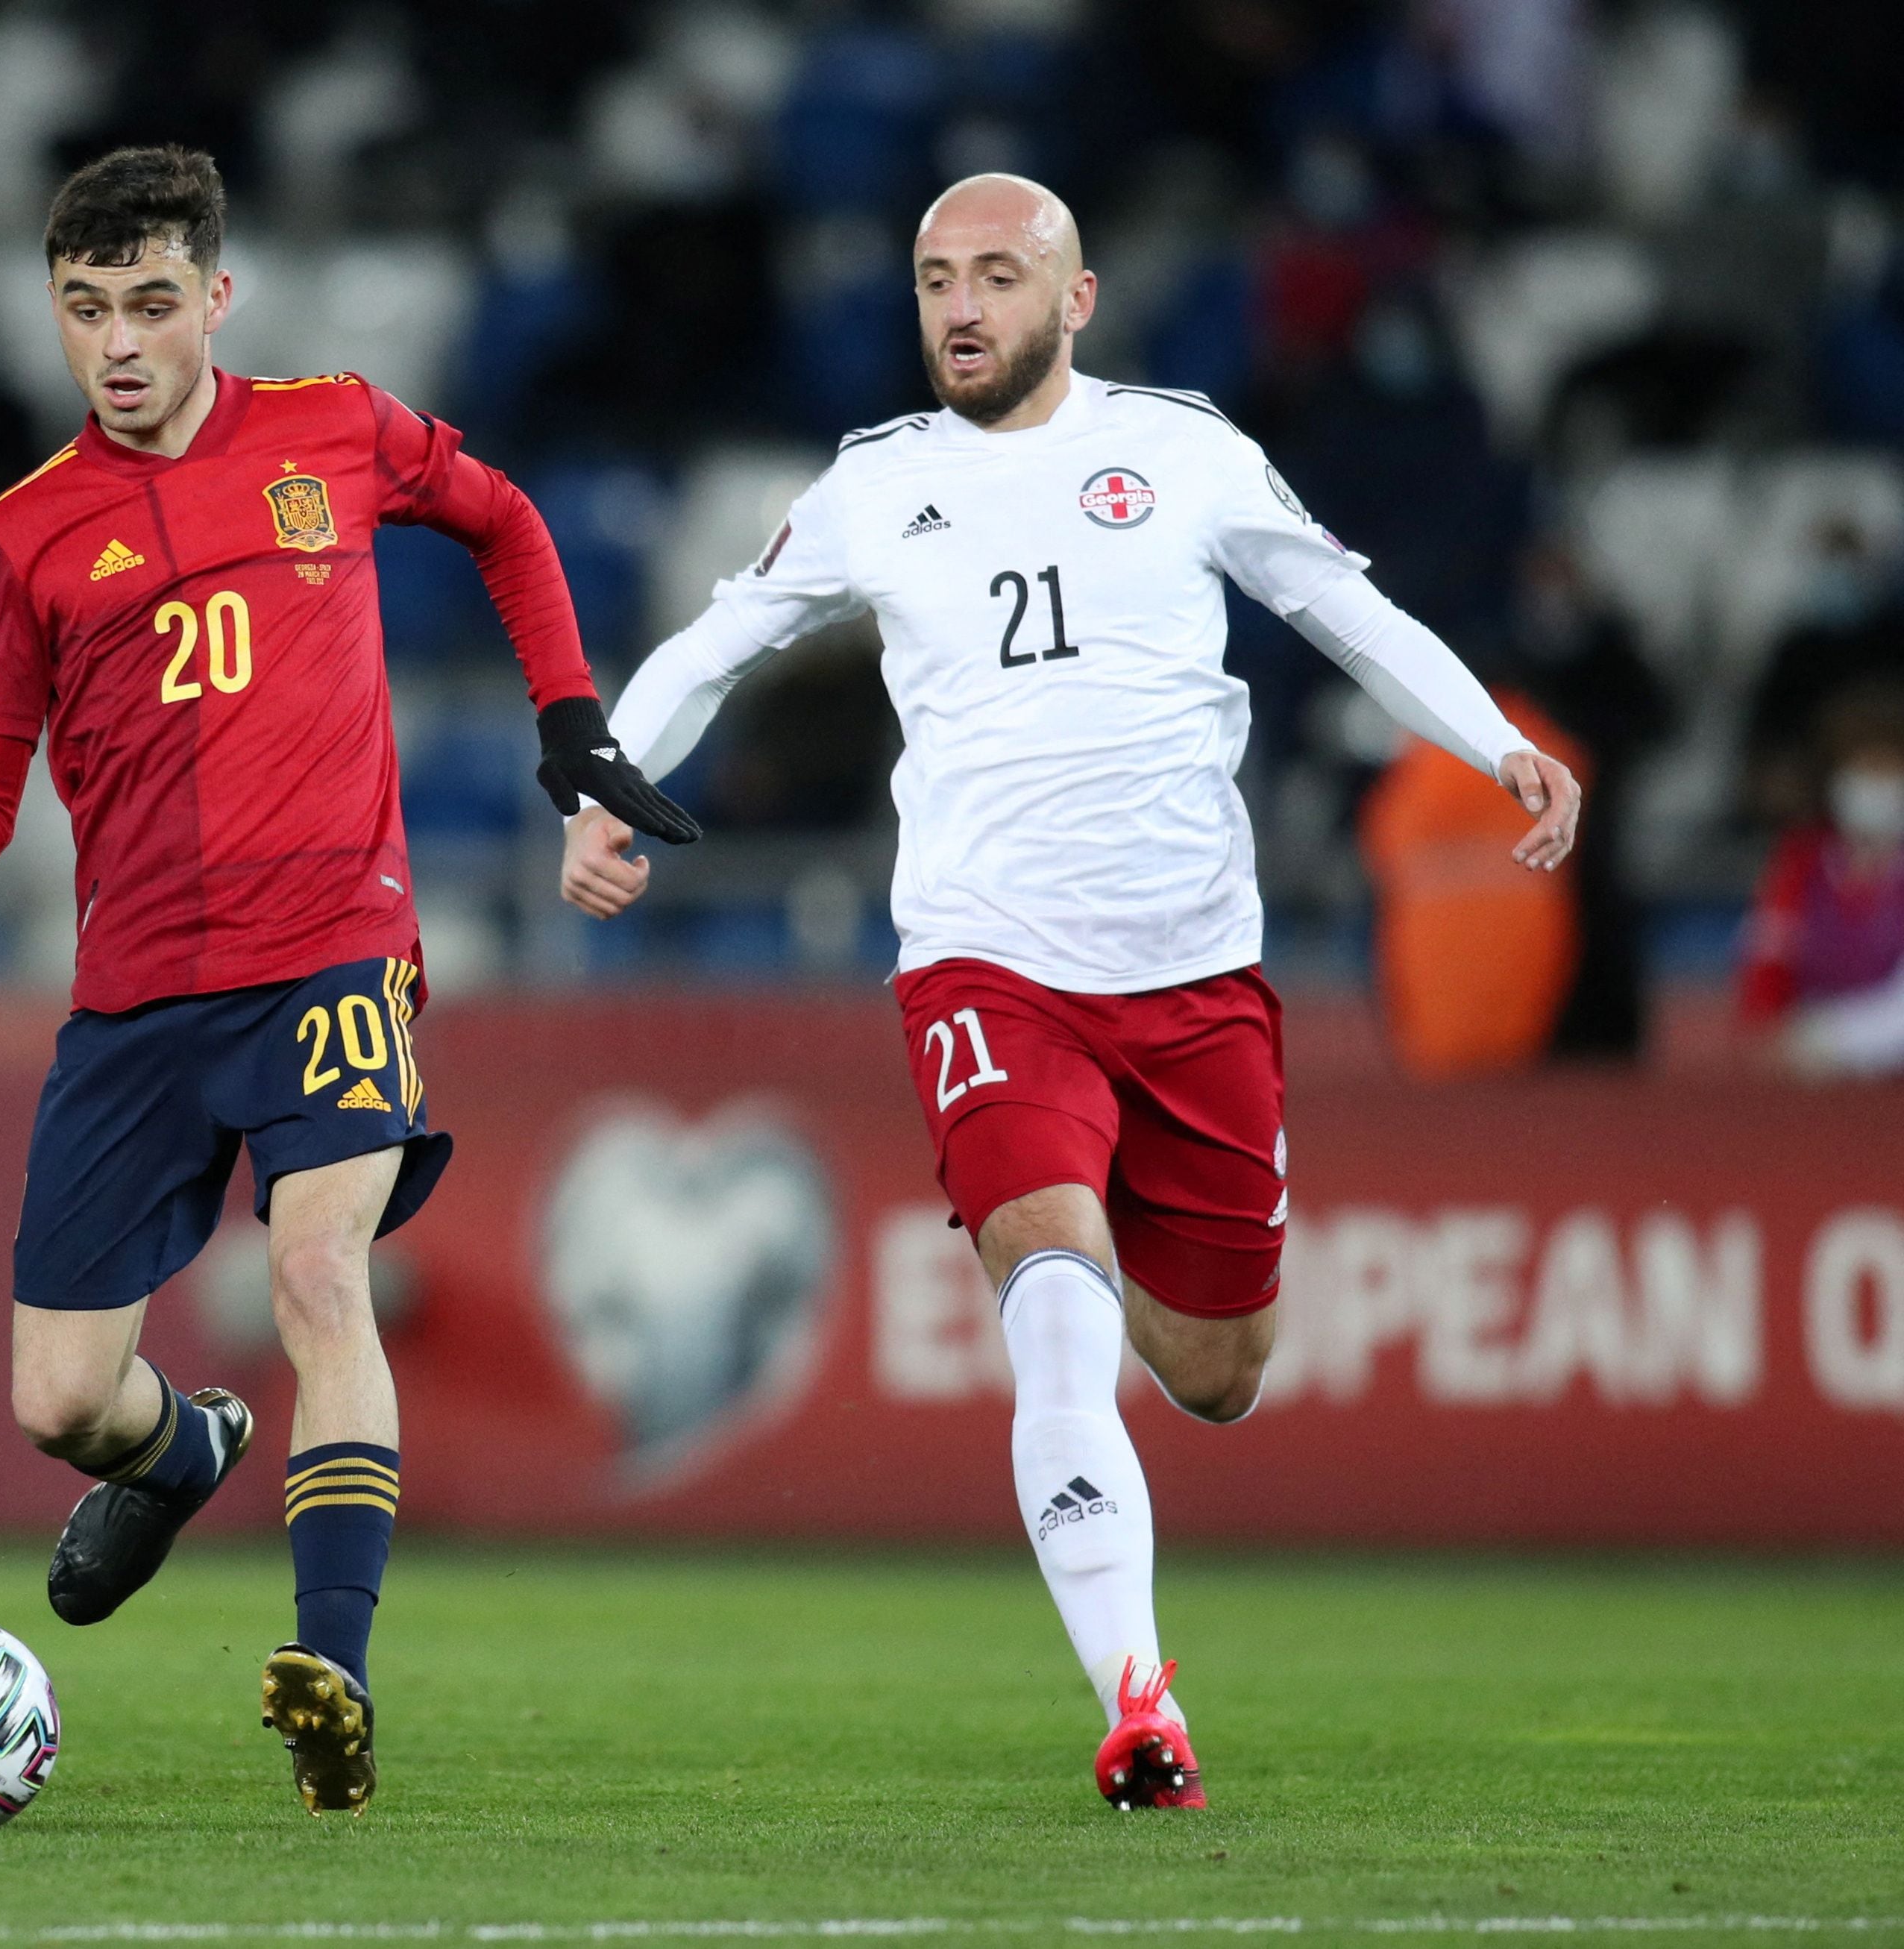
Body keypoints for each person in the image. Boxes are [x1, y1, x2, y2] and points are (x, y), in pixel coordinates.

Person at [559, 173, 1581, 1809]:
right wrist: (598, 786)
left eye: (992, 276)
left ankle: (1138, 1563)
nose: (959, 307)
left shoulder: (1182, 451)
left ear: (1074, 298)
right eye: (931, 280)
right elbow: (714, 641)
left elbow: (1342, 608)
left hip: (1188, 969)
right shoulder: (875, 485)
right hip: (982, 958)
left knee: (1215, 1370)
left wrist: (1498, 743)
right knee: (1052, 1288)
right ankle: (1137, 1701)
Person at [0, 146, 693, 1817]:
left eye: (149, 305)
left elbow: (501, 519)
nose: (118, 345)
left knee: (318, 1275)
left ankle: (329, 1667)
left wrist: (573, 719)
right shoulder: (22, 536)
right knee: (59, 1398)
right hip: (135, 999)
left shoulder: (332, 426)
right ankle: (181, 1448)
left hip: (332, 951)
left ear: (218, 297)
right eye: (82, 312)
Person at [1739, 682, 1904, 1080]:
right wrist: (1769, 1026)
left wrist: (1837, 1039)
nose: (1874, 787)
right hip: (1812, 1055)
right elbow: (1768, 955)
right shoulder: (1803, 862)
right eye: (1863, 770)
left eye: (1888, 771)